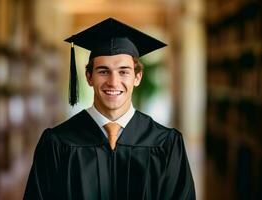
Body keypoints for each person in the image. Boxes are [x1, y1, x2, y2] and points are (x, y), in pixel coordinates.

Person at [23, 18, 195, 200]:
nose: (113, 82)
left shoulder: (166, 144)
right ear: (89, 77)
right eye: (103, 71)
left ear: (137, 77)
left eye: (123, 71)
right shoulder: (57, 144)